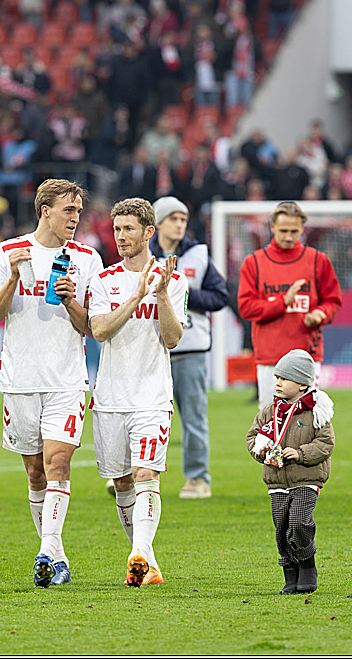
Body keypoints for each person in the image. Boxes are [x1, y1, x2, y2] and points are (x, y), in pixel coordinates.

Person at [0, 179, 103, 588]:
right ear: (44, 210)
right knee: (35, 473)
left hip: (67, 380)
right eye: (69, 210)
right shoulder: (7, 252)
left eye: (79, 211)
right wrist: (14, 279)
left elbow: (94, 328)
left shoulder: (87, 259)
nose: (76, 218)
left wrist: (71, 301)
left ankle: (46, 551)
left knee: (58, 463)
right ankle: (58, 556)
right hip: (19, 379)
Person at [89, 197, 188, 587]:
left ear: (149, 232)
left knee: (147, 474)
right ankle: (146, 562)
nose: (120, 236)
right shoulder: (104, 281)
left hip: (152, 395)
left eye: (128, 229)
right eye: (116, 229)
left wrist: (160, 292)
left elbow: (172, 337)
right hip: (110, 397)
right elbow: (99, 331)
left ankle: (140, 553)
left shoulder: (175, 280)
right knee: (122, 482)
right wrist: (136, 295)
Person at [149, 196, 229, 499]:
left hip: (191, 348)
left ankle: (197, 478)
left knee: (194, 418)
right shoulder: (143, 255)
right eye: (173, 218)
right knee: (142, 415)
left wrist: (181, 295)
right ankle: (135, 476)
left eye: (183, 219)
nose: (180, 224)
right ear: (157, 223)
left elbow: (220, 297)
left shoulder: (198, 255)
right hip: (152, 349)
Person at [246, 349, 335, 595]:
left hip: (306, 479)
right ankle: (290, 573)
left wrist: (300, 453)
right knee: (282, 528)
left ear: (302, 384)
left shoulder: (317, 411)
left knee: (298, 523)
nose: (277, 383)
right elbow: (252, 436)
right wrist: (261, 451)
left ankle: (307, 566)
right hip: (276, 481)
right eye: (276, 377)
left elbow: (325, 444)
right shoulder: (269, 411)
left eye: (284, 378)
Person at [237, 201, 342, 408]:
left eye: (294, 231)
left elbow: (333, 300)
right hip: (270, 356)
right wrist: (282, 302)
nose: (288, 236)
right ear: (272, 227)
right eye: (283, 230)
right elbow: (246, 308)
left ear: (302, 229)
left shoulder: (317, 260)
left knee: (306, 422)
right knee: (271, 423)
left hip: (307, 355)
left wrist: (320, 313)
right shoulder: (254, 262)